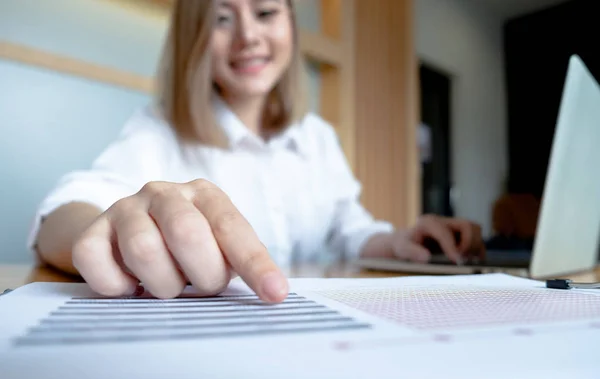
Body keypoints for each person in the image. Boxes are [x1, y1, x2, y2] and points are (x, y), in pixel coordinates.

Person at [30, 0, 485, 303]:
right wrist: (102, 234)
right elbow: (63, 213)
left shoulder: (317, 137)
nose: (248, 36)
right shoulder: (160, 129)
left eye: (266, 11)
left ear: (290, 23)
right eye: (222, 19)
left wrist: (398, 241)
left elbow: (351, 230)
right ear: (196, 40)